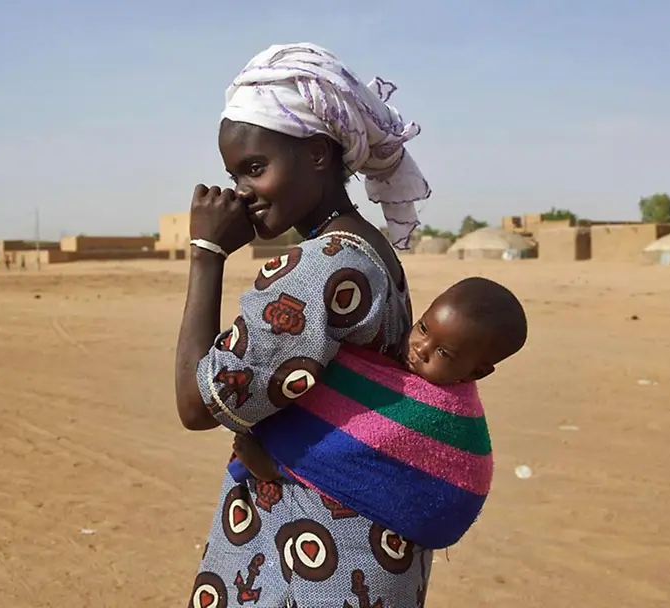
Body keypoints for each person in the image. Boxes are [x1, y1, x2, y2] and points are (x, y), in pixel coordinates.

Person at [175, 43, 432, 607]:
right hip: (364, 545)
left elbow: (198, 405)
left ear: (317, 154)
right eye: (233, 174)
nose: (241, 191)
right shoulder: (367, 248)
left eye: (255, 168)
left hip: (319, 556)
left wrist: (205, 254)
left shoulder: (319, 266)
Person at [230, 276, 528, 550]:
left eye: (442, 353)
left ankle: (282, 466)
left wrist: (279, 464)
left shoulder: (454, 416)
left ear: (476, 372)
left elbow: (450, 497)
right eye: (424, 328)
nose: (420, 348)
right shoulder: (388, 363)